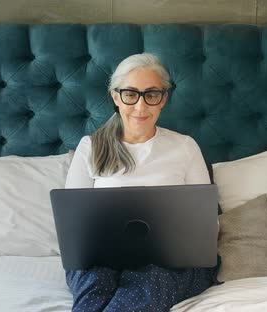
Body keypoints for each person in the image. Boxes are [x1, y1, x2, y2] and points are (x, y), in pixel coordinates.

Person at [65, 53, 219, 312]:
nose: (140, 106)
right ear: (116, 97)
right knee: (94, 282)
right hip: (101, 259)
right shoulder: (90, 147)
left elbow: (207, 221)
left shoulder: (185, 147)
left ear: (163, 99)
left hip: (170, 261)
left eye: (151, 94)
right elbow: (71, 224)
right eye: (130, 94)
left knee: (149, 283)